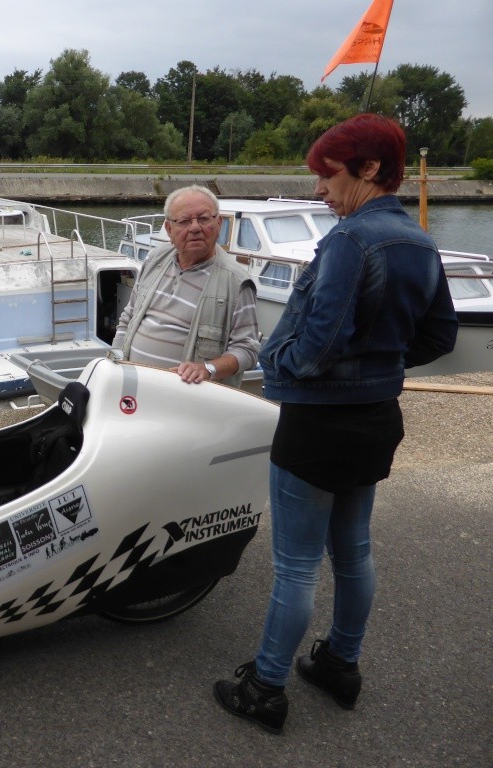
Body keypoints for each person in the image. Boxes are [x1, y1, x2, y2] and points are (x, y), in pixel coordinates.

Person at [213, 114, 458, 734]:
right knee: (354, 552)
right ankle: (339, 664)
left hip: (318, 423)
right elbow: (440, 335)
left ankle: (266, 686)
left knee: (295, 564)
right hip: (377, 417)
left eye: (328, 176)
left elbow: (319, 344)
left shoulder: (350, 241)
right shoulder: (422, 242)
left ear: (368, 170)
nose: (320, 191)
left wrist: (278, 363)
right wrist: (379, 366)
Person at [112, 185, 260, 387]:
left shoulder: (236, 281)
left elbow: (247, 350)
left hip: (187, 397)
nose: (195, 227)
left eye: (204, 219)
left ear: (219, 224)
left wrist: (207, 369)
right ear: (169, 229)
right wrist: (116, 359)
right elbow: (128, 317)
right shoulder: (155, 259)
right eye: (184, 221)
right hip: (134, 384)